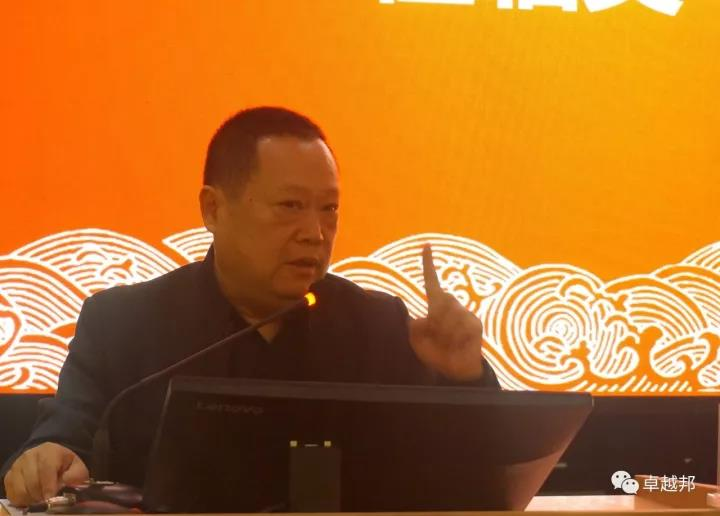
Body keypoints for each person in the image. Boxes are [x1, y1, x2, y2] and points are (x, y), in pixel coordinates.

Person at [2, 107, 499, 505]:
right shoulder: (122, 323)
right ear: (213, 209)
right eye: (290, 206)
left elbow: (476, 476)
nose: (316, 233)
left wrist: (465, 378)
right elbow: (63, 440)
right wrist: (46, 460)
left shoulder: (378, 325)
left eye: (329, 209)